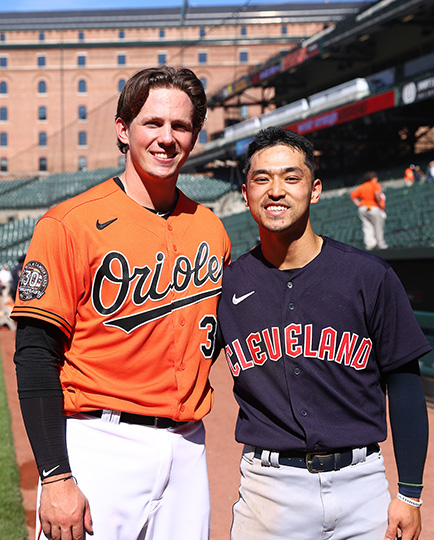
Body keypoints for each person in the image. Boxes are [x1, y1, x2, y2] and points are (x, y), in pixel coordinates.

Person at [12, 66, 231, 540]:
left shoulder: (211, 228)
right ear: (122, 130)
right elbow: (33, 354)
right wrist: (55, 475)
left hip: (187, 448)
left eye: (180, 126)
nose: (166, 138)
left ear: (194, 136)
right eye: (153, 123)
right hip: (98, 443)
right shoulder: (69, 223)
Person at [215, 127, 430, 540]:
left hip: (361, 485)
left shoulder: (369, 276)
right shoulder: (227, 286)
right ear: (245, 194)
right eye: (262, 179)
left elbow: (404, 384)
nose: (276, 190)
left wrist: (411, 493)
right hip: (268, 491)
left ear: (314, 191)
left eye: (290, 178)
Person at [350, 170, 388, 250]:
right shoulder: (375, 184)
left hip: (363, 208)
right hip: (373, 207)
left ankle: (370, 245)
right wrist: (379, 203)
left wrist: (359, 204)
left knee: (367, 227)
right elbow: (377, 194)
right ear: (374, 178)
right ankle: (381, 245)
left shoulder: (362, 186)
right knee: (378, 226)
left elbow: (353, 196)